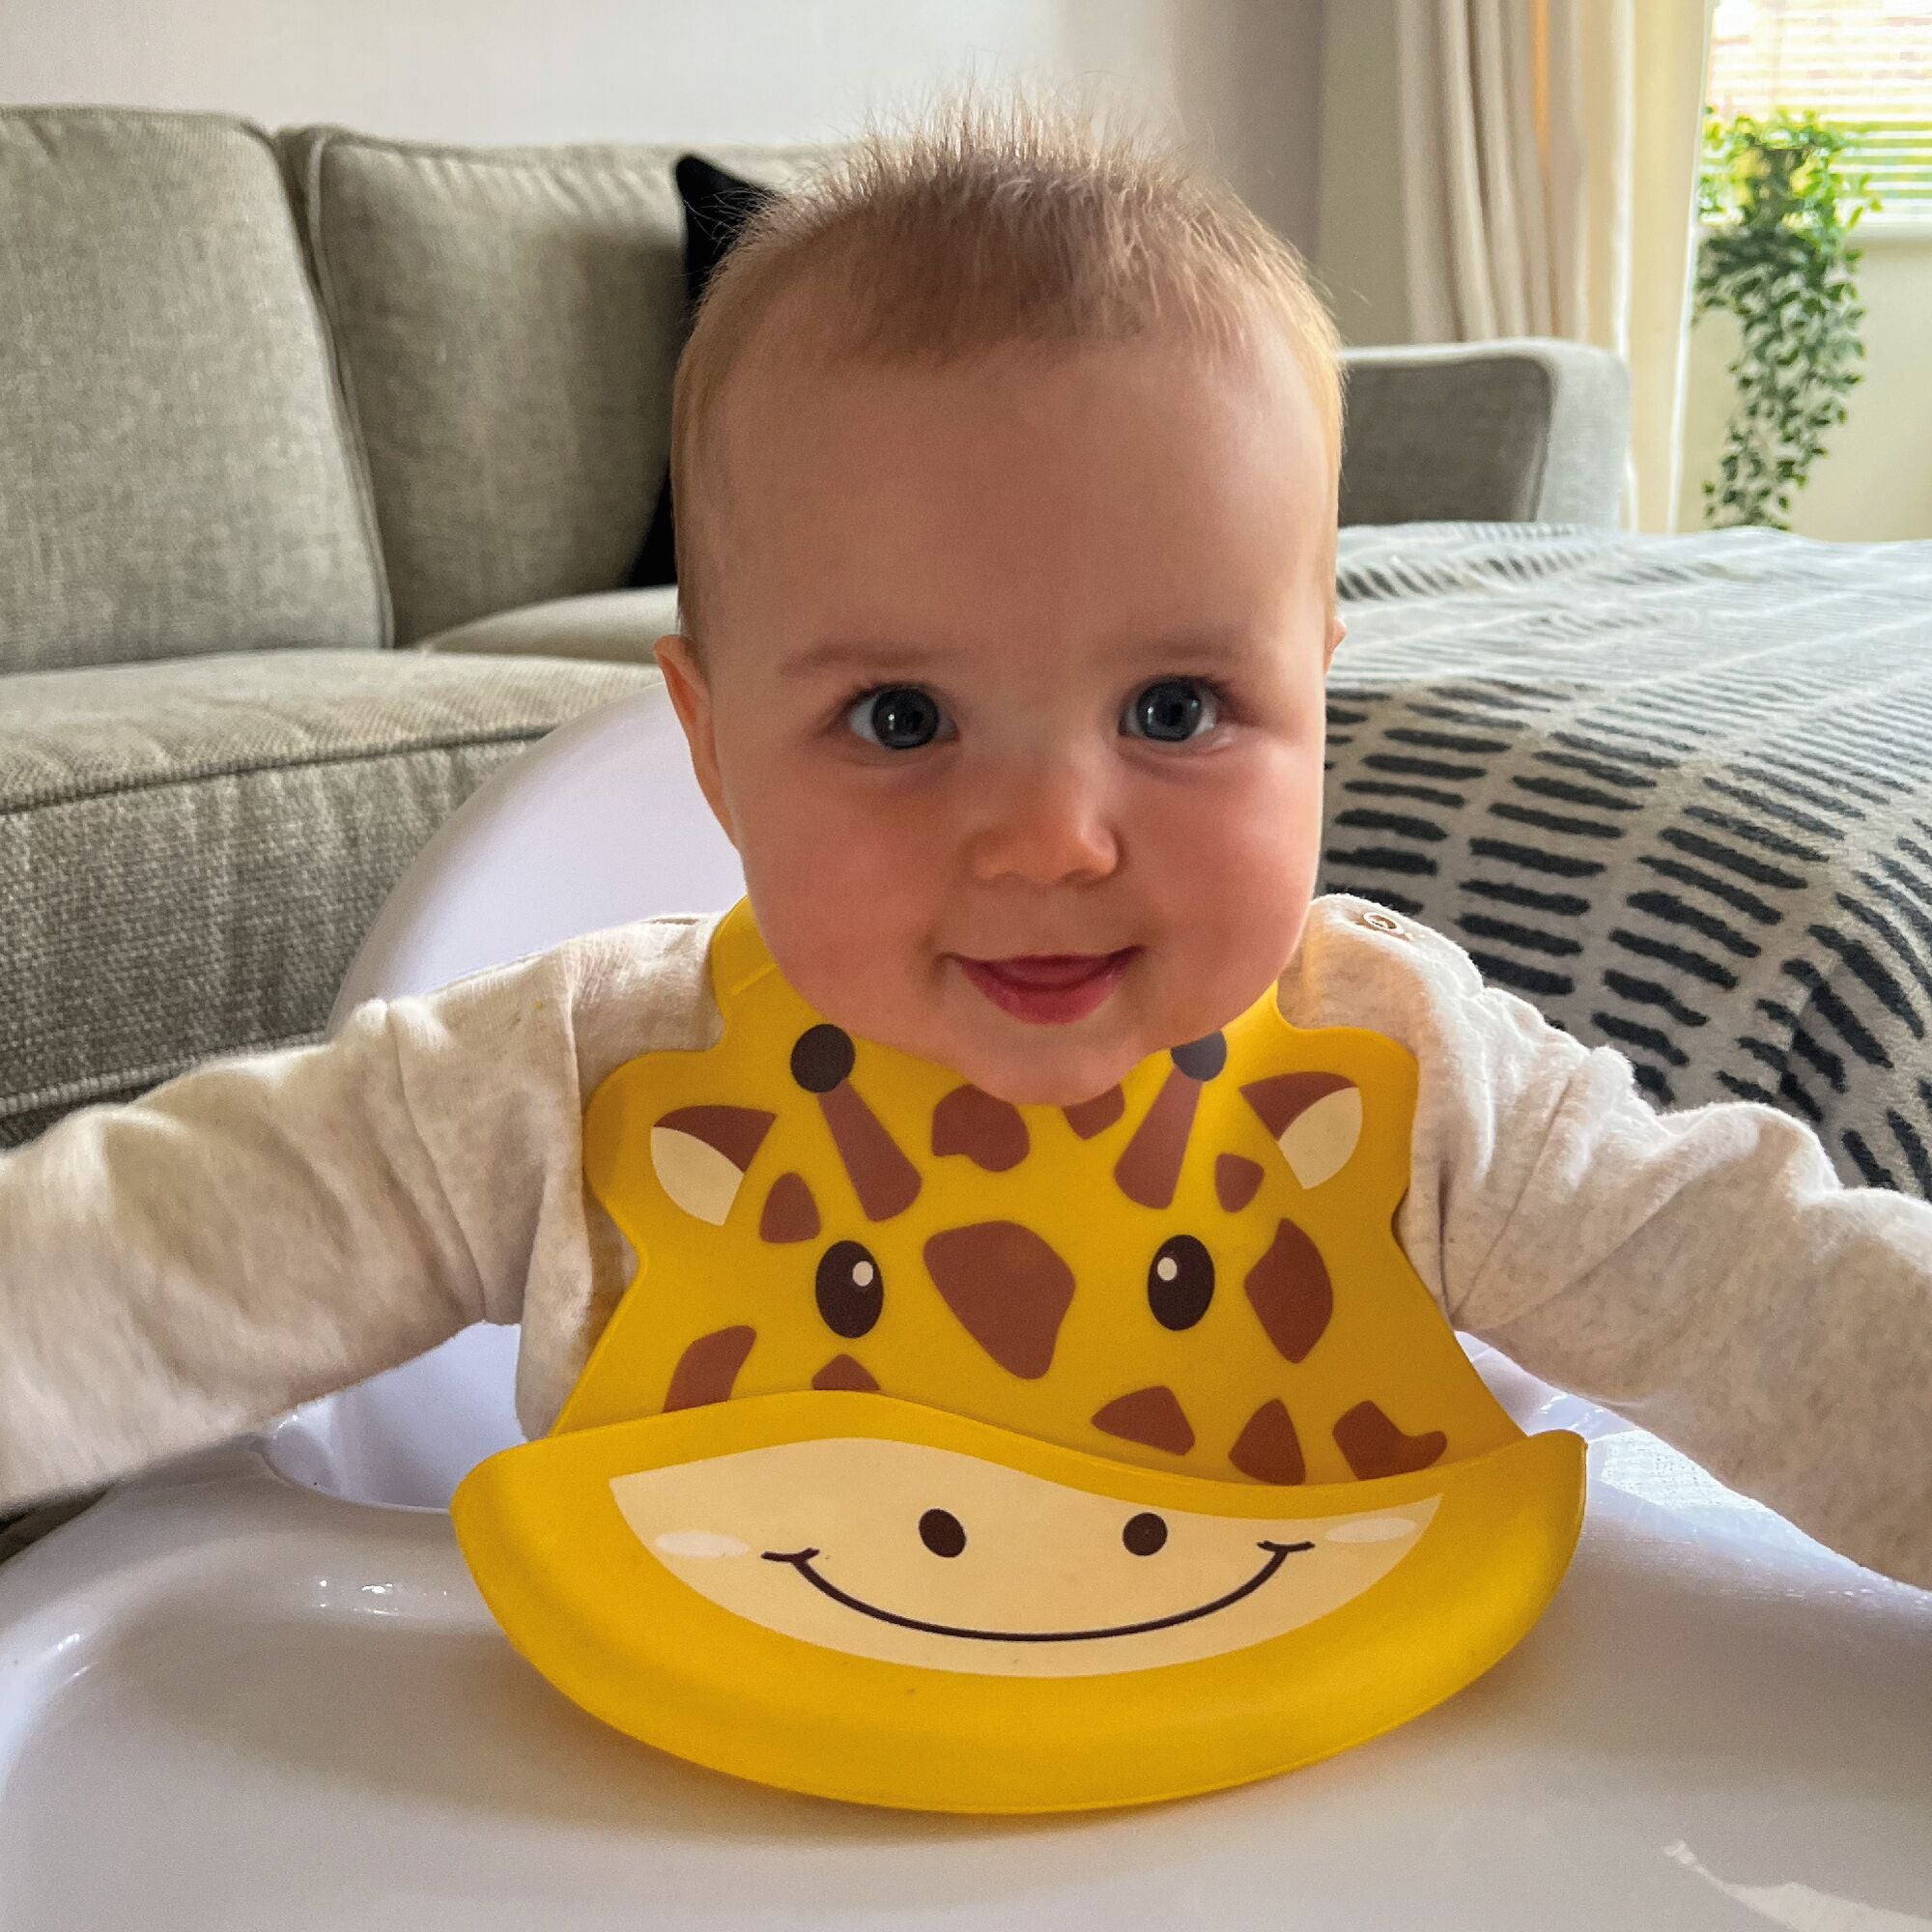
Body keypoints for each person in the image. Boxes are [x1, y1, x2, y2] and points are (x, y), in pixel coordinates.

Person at [1, 100, 1926, 1589]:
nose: (1052, 838)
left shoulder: (1418, 1100)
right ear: (715, 750)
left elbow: (1783, 1300)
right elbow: (156, 1257)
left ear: (1316, 694)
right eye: (900, 721)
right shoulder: (573, 1091)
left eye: (1174, 710)